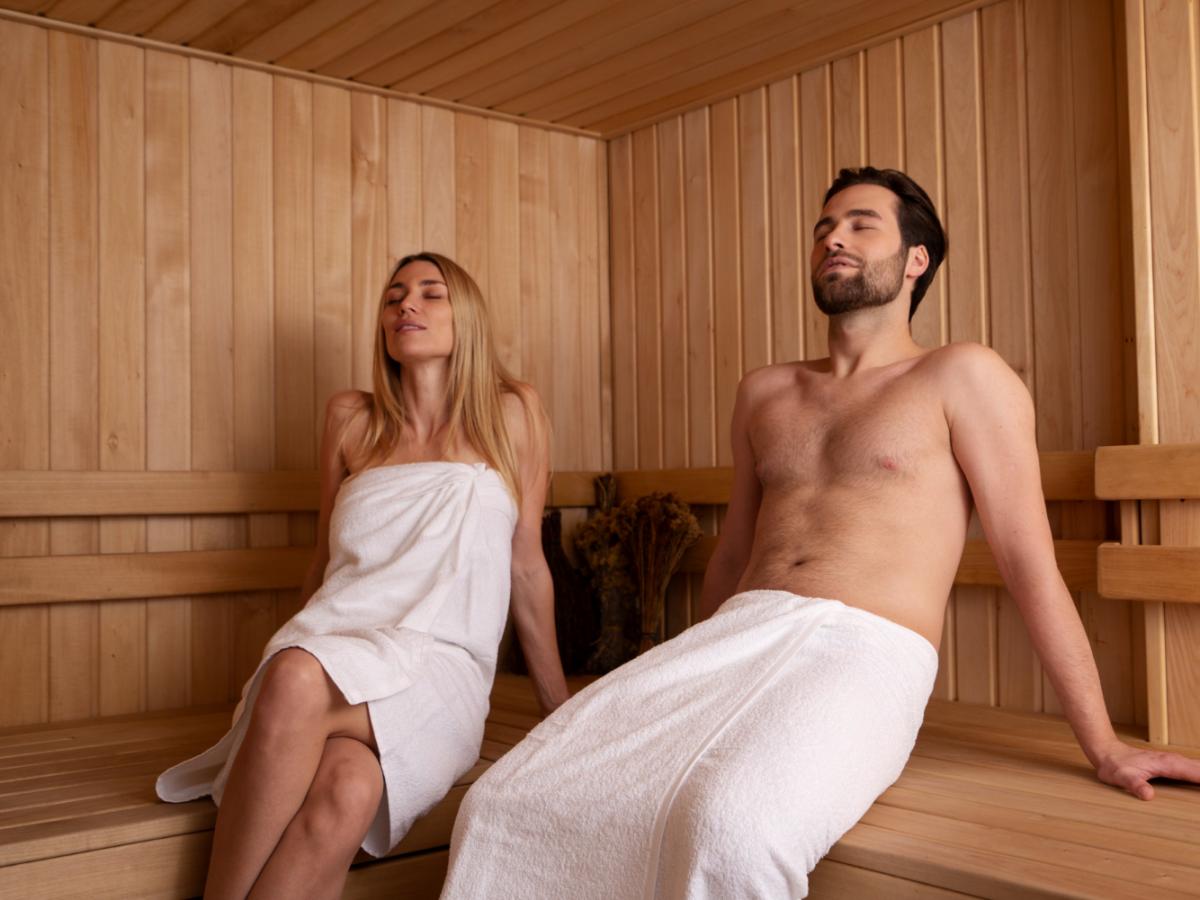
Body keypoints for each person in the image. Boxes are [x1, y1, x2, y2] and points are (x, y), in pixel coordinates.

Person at [440, 168, 1200, 899]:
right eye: (824, 227)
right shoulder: (766, 392)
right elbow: (734, 553)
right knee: (509, 796)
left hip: (864, 650)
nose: (834, 238)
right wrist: (694, 674)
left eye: (862, 225)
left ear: (916, 260)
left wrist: (1104, 745)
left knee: (734, 828)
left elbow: (1030, 565)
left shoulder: (962, 375)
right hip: (735, 636)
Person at [157, 252, 570, 899]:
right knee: (346, 789)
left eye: (430, 293)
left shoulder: (513, 412)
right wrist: (286, 667)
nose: (407, 305)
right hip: (335, 646)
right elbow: (324, 562)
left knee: (297, 679)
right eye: (394, 296)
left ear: (467, 316)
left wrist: (561, 715)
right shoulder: (351, 419)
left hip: (440, 665)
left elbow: (526, 564)